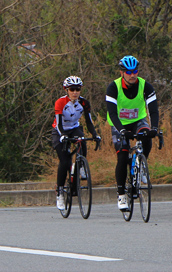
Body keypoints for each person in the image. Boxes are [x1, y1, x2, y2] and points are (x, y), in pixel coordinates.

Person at [106, 55, 159, 212]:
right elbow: (112, 113)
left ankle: (141, 165)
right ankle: (122, 194)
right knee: (122, 156)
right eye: (128, 72)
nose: (132, 74)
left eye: (135, 71)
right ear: (122, 72)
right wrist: (122, 130)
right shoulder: (113, 87)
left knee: (147, 134)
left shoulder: (145, 86)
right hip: (119, 123)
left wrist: (154, 128)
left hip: (138, 121)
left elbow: (154, 110)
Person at [52, 75, 100, 211]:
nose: (75, 92)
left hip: (74, 128)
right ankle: (60, 192)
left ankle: (80, 166)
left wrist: (95, 135)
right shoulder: (60, 102)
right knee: (65, 161)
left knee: (82, 140)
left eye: (77, 89)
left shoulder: (84, 103)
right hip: (60, 131)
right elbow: (59, 124)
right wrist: (62, 136)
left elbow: (89, 122)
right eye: (72, 89)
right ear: (66, 90)